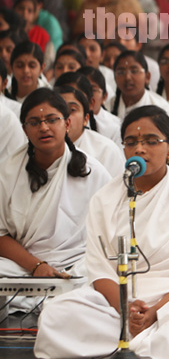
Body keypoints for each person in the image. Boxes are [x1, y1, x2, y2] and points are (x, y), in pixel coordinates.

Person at [34, 105, 169, 358]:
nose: (139, 149)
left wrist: (155, 310)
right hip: (119, 301)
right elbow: (99, 268)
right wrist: (127, 309)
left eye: (150, 141)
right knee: (56, 315)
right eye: (131, 142)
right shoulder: (105, 199)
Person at [0, 88, 110, 312]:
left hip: (75, 267)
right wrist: (37, 266)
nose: (43, 127)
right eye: (34, 122)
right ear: (24, 129)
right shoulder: (8, 171)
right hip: (22, 266)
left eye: (52, 120)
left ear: (67, 124)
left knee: (98, 272)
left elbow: (110, 233)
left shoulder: (94, 172)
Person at [56, 84, 124, 177]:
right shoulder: (40, 149)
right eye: (58, 111)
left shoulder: (106, 150)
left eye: (72, 110)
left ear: (85, 119)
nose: (65, 117)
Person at [107, 50, 169, 138]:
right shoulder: (107, 106)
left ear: (147, 77)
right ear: (114, 78)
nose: (127, 77)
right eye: (121, 72)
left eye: (134, 71)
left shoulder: (162, 108)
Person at [77, 65, 121, 143]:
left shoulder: (115, 125)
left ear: (104, 97)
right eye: (81, 89)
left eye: (93, 89)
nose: (86, 95)